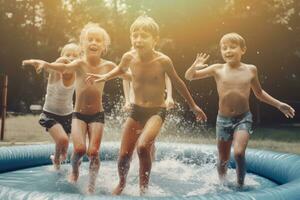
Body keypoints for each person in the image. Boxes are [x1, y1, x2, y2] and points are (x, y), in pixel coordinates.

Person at [86, 15, 207, 195]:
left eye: (144, 36)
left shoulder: (163, 60)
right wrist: (104, 77)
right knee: (123, 157)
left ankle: (144, 189)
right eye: (135, 35)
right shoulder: (128, 57)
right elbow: (120, 70)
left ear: (155, 39)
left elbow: (179, 82)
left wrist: (193, 106)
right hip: (136, 111)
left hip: (156, 112)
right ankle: (121, 183)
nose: (138, 39)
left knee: (143, 147)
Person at [23, 23, 130, 194]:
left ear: (104, 46)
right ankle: (75, 171)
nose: (93, 42)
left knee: (93, 152)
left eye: (98, 40)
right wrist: (45, 64)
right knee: (79, 150)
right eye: (90, 39)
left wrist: (144, 77)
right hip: (78, 116)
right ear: (83, 44)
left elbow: (127, 75)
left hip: (97, 115)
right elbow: (63, 67)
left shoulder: (108, 66)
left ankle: (91, 185)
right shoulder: (79, 63)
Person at [185, 32, 295, 187]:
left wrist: (279, 105)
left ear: (243, 49)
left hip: (243, 119)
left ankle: (240, 185)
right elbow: (189, 76)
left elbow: (259, 93)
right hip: (223, 120)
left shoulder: (251, 70)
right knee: (223, 158)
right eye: (224, 48)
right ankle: (222, 185)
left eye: (232, 47)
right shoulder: (217, 69)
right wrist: (194, 66)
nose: (228, 51)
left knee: (238, 153)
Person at [23, 43, 80, 170]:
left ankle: (56, 164)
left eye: (75, 56)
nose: (70, 58)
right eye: (68, 55)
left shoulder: (77, 73)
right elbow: (58, 63)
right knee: (63, 140)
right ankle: (57, 158)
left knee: (62, 145)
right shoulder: (55, 72)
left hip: (67, 115)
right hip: (50, 114)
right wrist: (37, 62)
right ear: (61, 57)